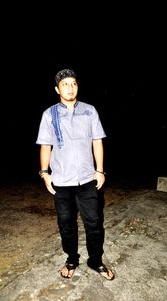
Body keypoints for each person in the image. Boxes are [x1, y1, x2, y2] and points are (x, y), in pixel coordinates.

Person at [36, 68, 114, 280]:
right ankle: (72, 259)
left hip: (88, 179)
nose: (70, 88)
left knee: (94, 223)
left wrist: (100, 171)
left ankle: (96, 261)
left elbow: (97, 141)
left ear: (77, 86)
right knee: (66, 223)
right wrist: (45, 173)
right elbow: (45, 145)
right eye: (65, 84)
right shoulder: (49, 114)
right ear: (57, 89)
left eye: (73, 83)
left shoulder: (90, 111)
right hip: (61, 180)